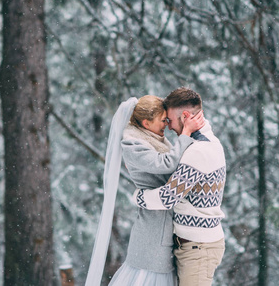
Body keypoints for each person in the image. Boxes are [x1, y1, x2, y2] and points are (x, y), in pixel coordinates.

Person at [84, 95, 204, 286]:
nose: (166, 124)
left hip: (162, 222)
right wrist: (185, 134)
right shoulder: (134, 145)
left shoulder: (155, 138)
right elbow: (166, 163)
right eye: (162, 120)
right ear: (146, 123)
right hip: (153, 231)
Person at [132, 88, 226, 286]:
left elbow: (168, 197)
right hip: (194, 246)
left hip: (198, 249)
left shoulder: (199, 150)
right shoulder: (206, 143)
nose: (169, 126)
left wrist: (138, 196)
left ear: (185, 116)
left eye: (170, 120)